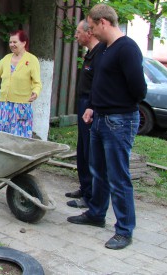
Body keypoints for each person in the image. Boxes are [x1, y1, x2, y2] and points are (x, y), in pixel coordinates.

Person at [67, 3, 147, 250]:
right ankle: (96, 214)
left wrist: (114, 106)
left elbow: (139, 91)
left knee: (118, 177)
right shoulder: (103, 49)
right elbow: (99, 82)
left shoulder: (127, 49)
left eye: (92, 27)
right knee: (98, 170)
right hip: (99, 117)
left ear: (104, 22)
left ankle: (124, 230)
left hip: (119, 121)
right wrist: (92, 105)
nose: (91, 32)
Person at [65, 20, 101, 209]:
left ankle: (91, 196)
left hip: (90, 105)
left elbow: (99, 84)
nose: (76, 36)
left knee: (89, 150)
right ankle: (85, 187)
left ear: (89, 33)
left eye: (79, 32)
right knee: (82, 149)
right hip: (83, 103)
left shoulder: (99, 55)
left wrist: (92, 106)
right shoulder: (90, 54)